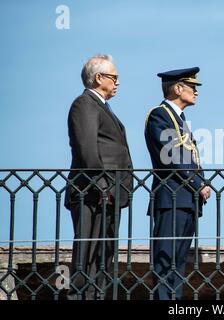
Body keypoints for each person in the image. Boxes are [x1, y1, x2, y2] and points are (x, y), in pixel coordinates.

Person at [64, 54, 133, 300]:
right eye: (114, 77)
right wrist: (102, 186)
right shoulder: (84, 104)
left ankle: (97, 295)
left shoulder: (101, 106)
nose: (118, 82)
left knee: (104, 254)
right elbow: (87, 150)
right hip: (92, 193)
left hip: (110, 194)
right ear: (98, 78)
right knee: (87, 253)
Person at [144, 67, 211, 300]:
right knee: (165, 263)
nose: (196, 92)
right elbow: (172, 155)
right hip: (170, 199)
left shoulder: (179, 118)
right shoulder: (160, 115)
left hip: (185, 200)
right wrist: (199, 183)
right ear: (178, 88)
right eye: (193, 87)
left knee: (177, 266)